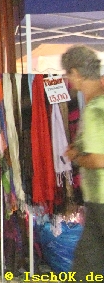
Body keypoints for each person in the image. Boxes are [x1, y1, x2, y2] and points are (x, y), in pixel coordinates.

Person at [61, 45, 104, 278]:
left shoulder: (95, 109)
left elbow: (99, 159)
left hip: (101, 200)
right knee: (87, 264)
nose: (68, 79)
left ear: (76, 73)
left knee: (87, 266)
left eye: (68, 73)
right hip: (96, 202)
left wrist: (76, 156)